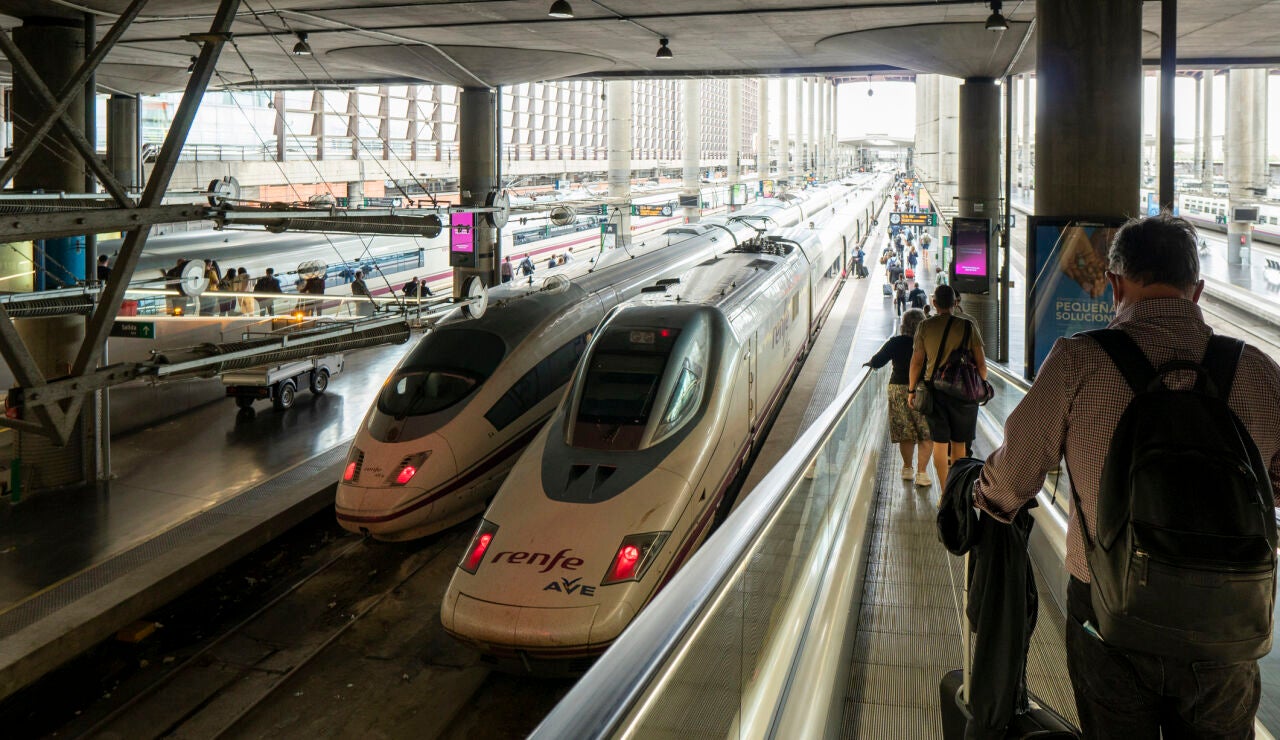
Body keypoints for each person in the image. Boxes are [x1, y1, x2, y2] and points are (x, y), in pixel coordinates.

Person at [971, 214, 1280, 737]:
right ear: (1198, 290)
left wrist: (977, 490)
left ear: (1114, 286)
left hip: (1109, 616)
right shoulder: (1256, 370)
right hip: (1228, 622)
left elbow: (1011, 480)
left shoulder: (1077, 361)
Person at [907, 284, 986, 487]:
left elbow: (916, 362)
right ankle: (956, 491)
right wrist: (980, 387)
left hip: (935, 392)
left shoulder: (925, 326)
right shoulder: (968, 326)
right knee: (959, 445)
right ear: (955, 303)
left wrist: (911, 390)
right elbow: (981, 363)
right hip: (964, 393)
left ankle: (944, 493)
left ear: (934, 304)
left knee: (940, 444)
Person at [865, 308, 933, 487]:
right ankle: (922, 473)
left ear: (903, 325)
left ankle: (907, 469)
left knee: (906, 432)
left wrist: (870, 364)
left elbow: (878, 360)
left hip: (897, 389)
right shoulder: (928, 342)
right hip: (923, 391)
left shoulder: (895, 342)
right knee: (926, 432)